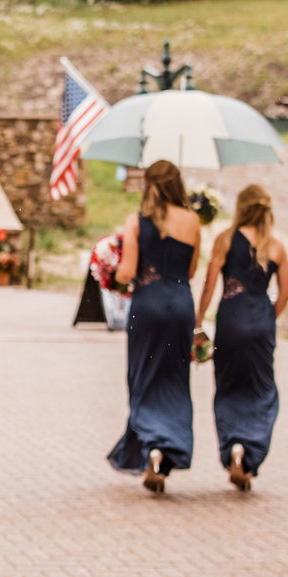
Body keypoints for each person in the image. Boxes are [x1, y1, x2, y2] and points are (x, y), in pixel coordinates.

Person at [106, 159, 202, 492]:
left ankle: (152, 445)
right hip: (179, 305)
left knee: (143, 378)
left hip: (147, 306)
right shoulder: (192, 220)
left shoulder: (136, 221)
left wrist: (111, 270)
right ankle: (167, 447)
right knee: (174, 379)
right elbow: (190, 271)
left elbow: (127, 272)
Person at [197, 183, 288, 492]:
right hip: (260, 323)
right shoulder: (275, 247)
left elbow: (210, 287)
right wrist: (265, 320)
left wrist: (198, 324)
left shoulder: (225, 240)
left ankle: (233, 446)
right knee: (262, 392)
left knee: (228, 387)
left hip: (230, 321)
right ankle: (250, 453)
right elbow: (285, 294)